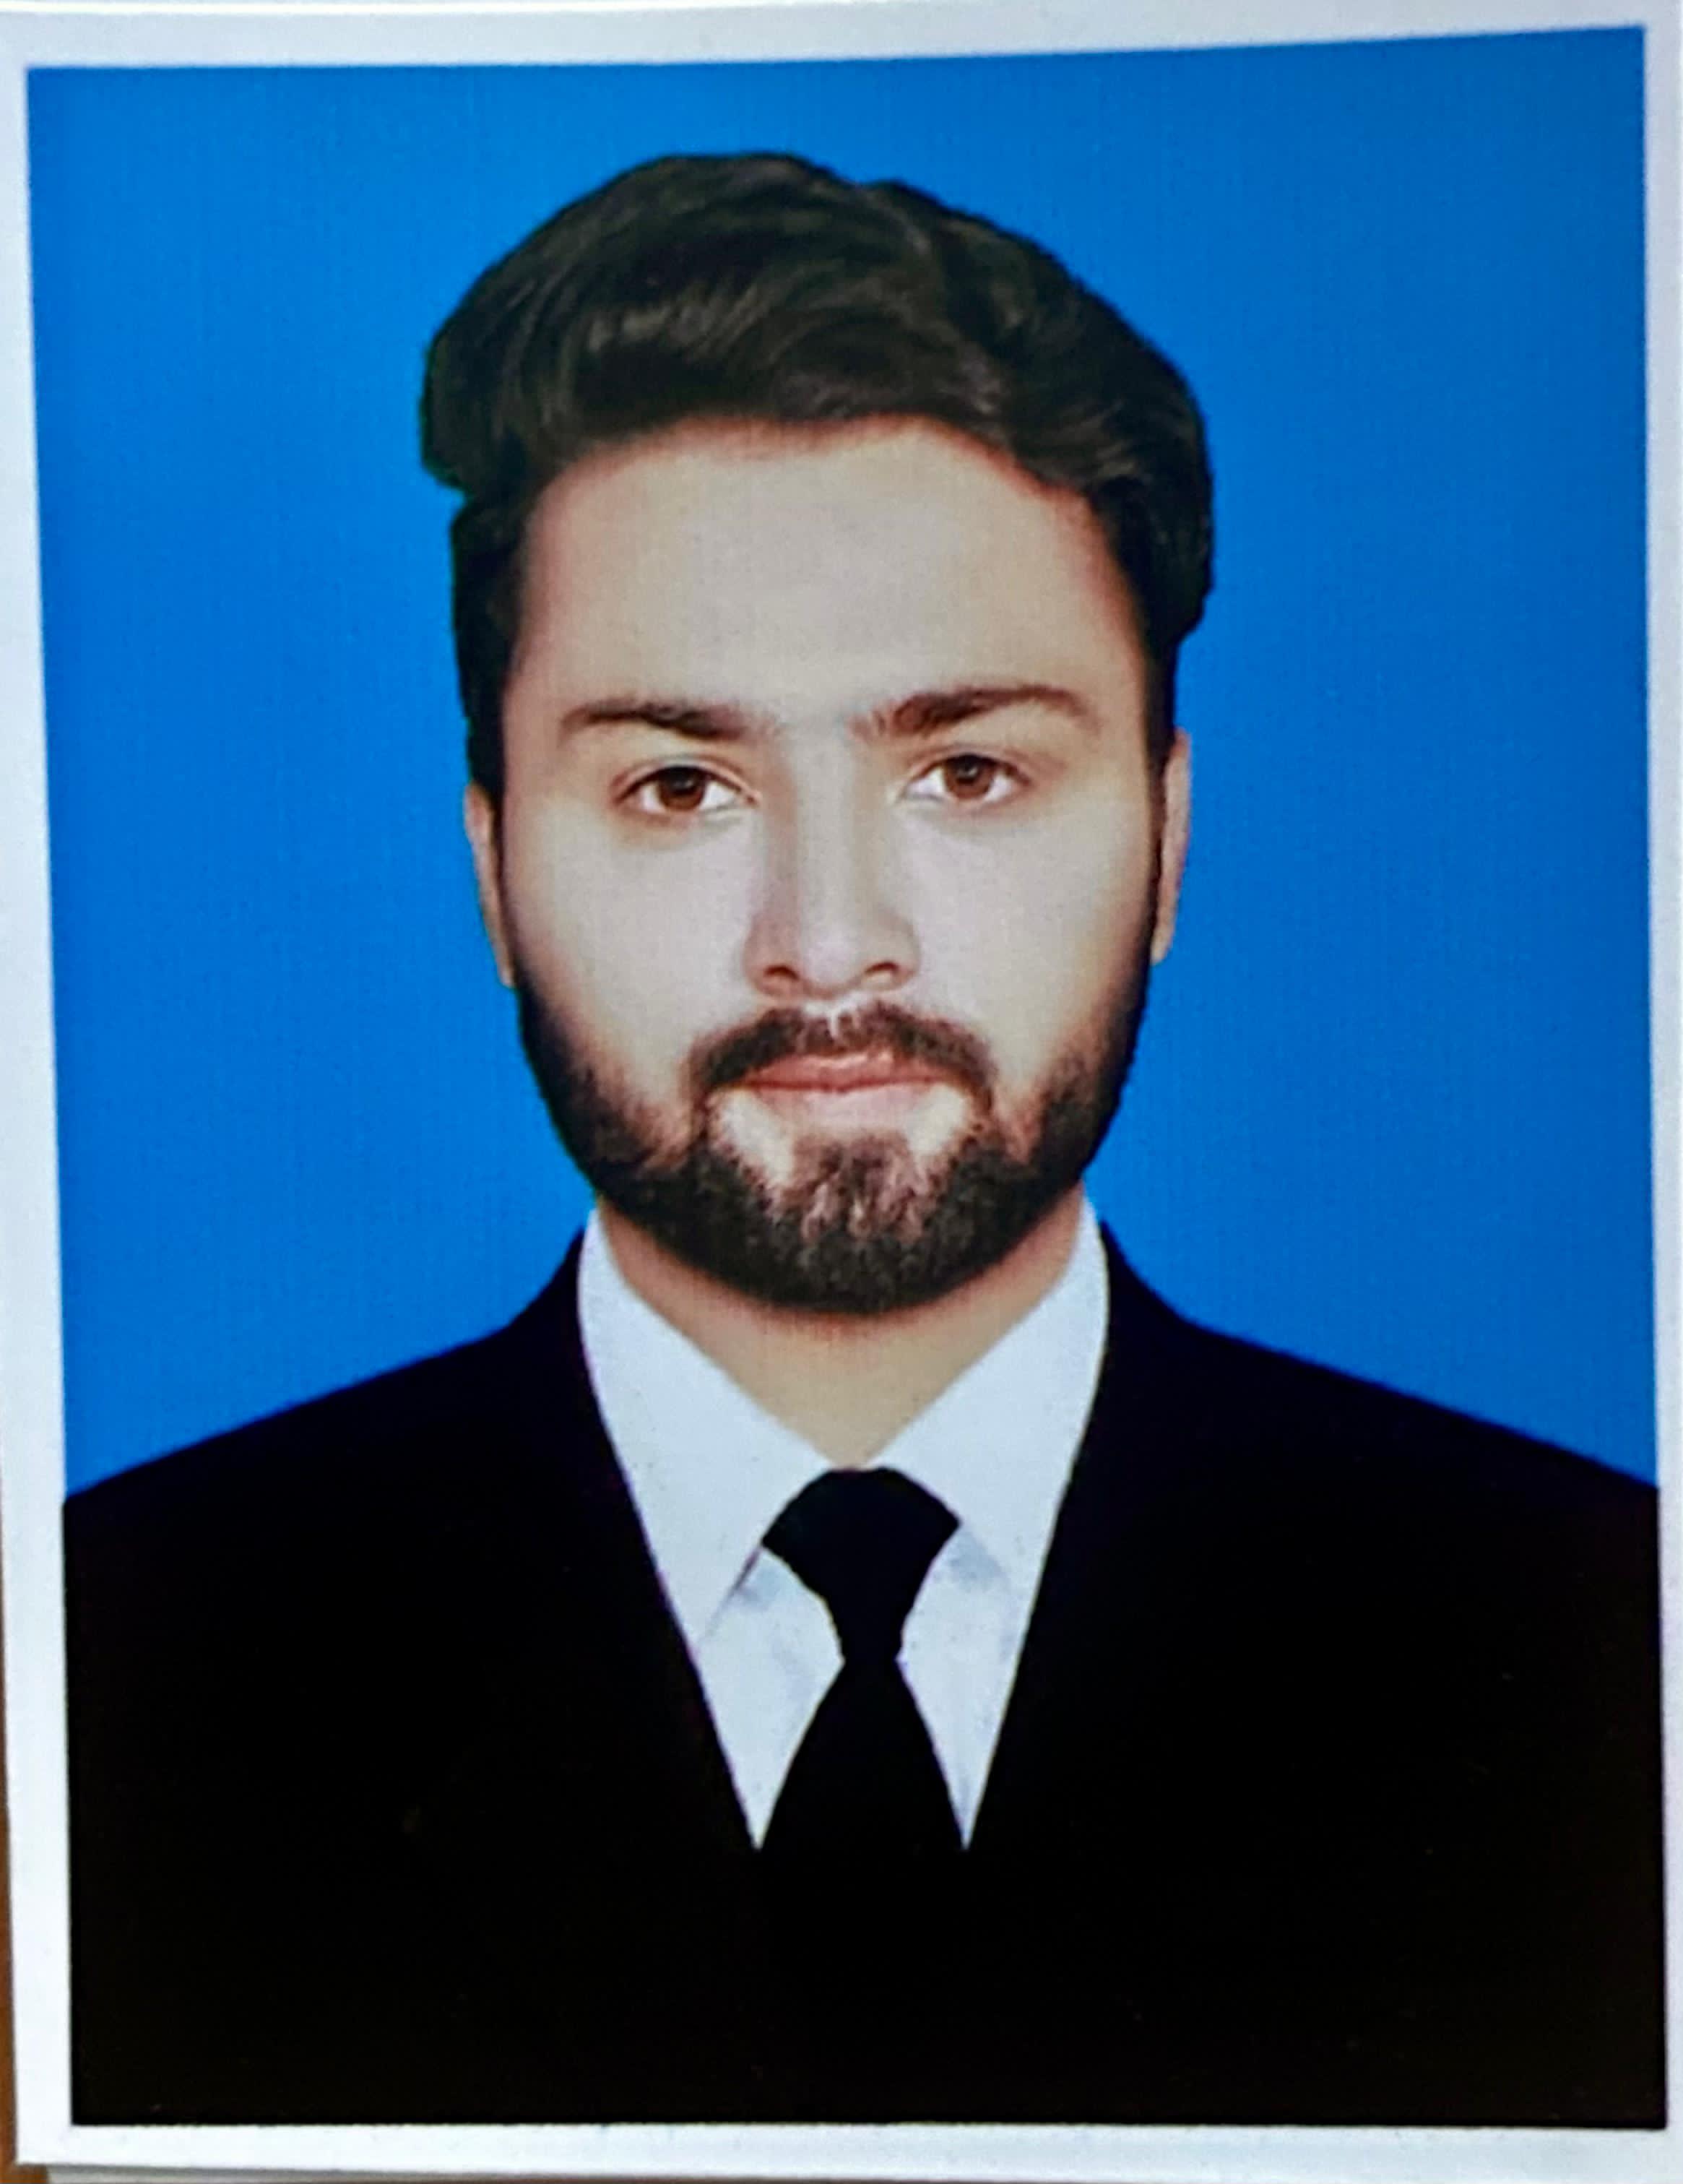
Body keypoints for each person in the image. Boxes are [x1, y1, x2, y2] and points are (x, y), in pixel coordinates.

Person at [64, 152, 1662, 2130]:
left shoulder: (1603, 1650)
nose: (827, 942)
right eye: (679, 786)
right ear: (490, 871)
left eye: (967, 771)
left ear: (1167, 838)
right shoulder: (102, 1666)